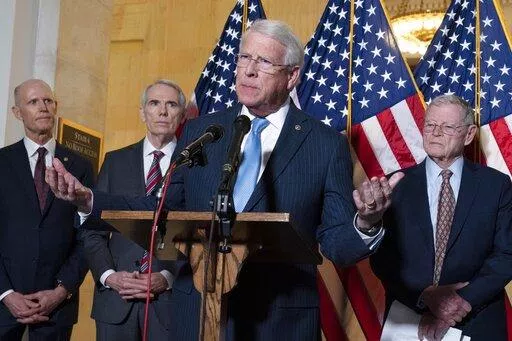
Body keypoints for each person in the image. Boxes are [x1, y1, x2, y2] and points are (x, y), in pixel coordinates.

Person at [47, 20, 402, 340]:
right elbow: (164, 208)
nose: (247, 71)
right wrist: (88, 199)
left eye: (263, 63)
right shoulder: (204, 131)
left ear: (292, 76)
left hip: (279, 320)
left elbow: (337, 243)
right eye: (243, 59)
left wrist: (366, 222)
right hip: (196, 314)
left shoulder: (324, 144)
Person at [371, 94, 512, 341]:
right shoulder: (395, 185)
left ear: (468, 135)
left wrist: (457, 303)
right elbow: (382, 257)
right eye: (430, 125)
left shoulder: (497, 186)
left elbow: (506, 255)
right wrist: (424, 297)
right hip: (408, 319)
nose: (435, 133)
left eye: (447, 127)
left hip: (475, 320)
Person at [80, 79, 193, 340]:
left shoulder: (193, 166)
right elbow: (93, 229)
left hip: (169, 304)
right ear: (142, 112)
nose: (162, 111)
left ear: (182, 114)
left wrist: (167, 276)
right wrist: (109, 276)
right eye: (154, 103)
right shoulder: (115, 160)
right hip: (115, 304)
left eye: (171, 104)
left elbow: (198, 233)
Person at [0, 79, 93, 340]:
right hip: (4, 304)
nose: (43, 107)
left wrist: (61, 291)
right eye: (33, 102)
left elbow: (88, 235)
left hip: (57, 306)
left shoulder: (81, 166)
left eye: (48, 101)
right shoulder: (2, 162)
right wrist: (6, 294)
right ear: (17, 113)